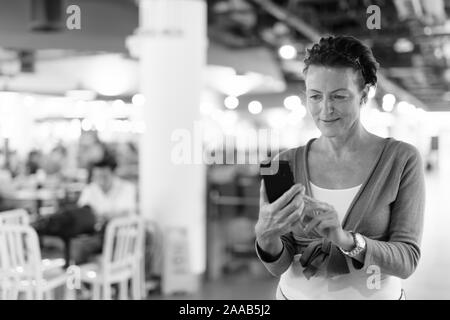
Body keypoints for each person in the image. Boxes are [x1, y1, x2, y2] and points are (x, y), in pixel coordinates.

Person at [254, 35, 425, 300]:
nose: (325, 109)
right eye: (315, 96)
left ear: (364, 95)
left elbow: (406, 260)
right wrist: (266, 237)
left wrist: (345, 239)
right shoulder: (282, 164)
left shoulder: (401, 159)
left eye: (339, 96)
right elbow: (280, 263)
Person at [71, 154, 137, 264]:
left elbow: (126, 213)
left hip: (122, 236)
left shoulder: (127, 188)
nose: (100, 180)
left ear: (113, 173)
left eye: (104, 176)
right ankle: (85, 279)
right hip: (98, 235)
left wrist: (100, 216)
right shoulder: (90, 189)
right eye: (97, 176)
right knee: (77, 246)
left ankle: (115, 276)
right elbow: (83, 213)